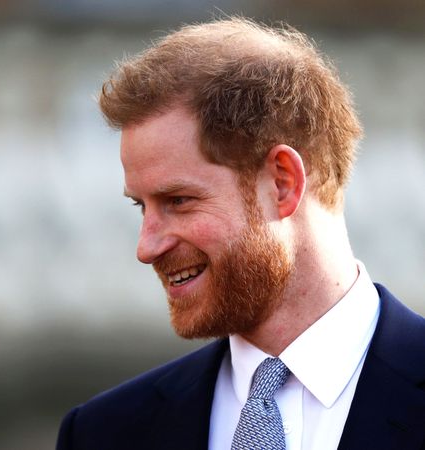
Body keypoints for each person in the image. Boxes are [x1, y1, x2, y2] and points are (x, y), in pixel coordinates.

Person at [56, 17, 425, 450]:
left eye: (178, 201)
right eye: (141, 206)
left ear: (282, 182)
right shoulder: (104, 433)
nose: (146, 247)